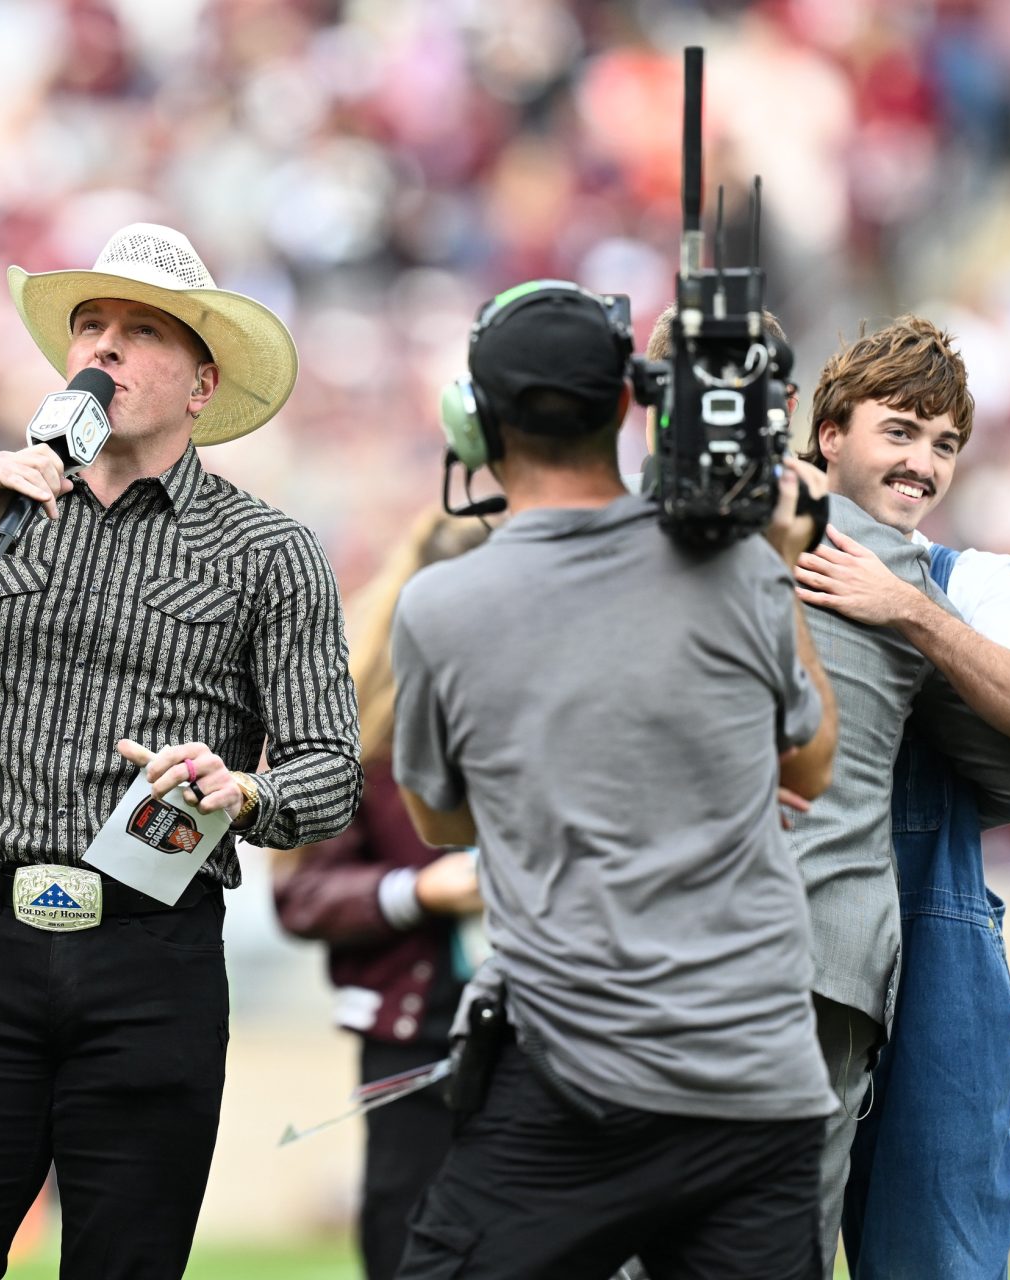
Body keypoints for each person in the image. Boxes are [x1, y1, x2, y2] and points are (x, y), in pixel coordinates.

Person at [0, 221, 362, 1279]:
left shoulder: (267, 550)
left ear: (201, 382)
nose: (105, 346)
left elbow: (330, 771)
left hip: (154, 953)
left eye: (141, 331)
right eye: (90, 325)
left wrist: (239, 790)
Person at [390, 280, 841, 1280]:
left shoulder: (440, 606)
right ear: (632, 403)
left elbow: (436, 817)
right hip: (758, 1079)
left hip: (570, 1078)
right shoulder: (742, 568)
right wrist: (778, 557)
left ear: (476, 420)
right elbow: (811, 760)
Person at [755, 318, 1010, 1276]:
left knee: (939, 1256)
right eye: (901, 432)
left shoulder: (969, 579)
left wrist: (911, 616)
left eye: (945, 446)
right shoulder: (755, 543)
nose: (924, 466)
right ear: (829, 434)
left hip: (936, 950)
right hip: (806, 934)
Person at [271, 507, 487, 1280]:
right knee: (406, 1247)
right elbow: (301, 894)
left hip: (554, 1021)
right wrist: (420, 891)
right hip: (414, 1030)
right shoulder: (362, 729)